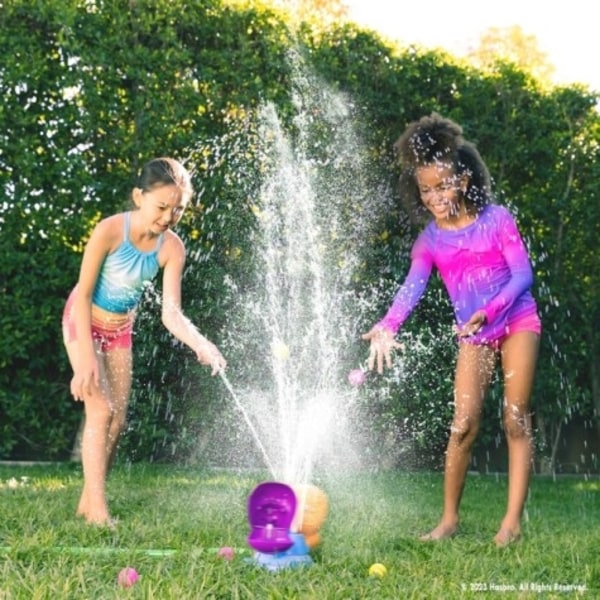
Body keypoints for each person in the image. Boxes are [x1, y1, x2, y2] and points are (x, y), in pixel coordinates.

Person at [362, 114, 540, 547]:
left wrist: (489, 310)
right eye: (426, 190)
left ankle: (512, 523)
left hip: (516, 321)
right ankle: (448, 520)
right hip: (474, 333)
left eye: (442, 186)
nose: (435, 197)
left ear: (462, 180)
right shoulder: (430, 241)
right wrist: (387, 325)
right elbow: (412, 288)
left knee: (515, 418)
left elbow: (523, 275)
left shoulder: (497, 219)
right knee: (462, 424)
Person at [62, 157, 227, 525]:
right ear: (139, 197)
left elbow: (172, 314)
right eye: (162, 206)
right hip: (82, 319)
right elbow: (83, 296)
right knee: (100, 410)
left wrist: (201, 343)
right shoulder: (109, 231)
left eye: (178, 209)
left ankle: (88, 502)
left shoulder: (172, 249)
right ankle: (98, 513)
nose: (168, 217)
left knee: (118, 420)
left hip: (119, 329)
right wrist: (86, 358)